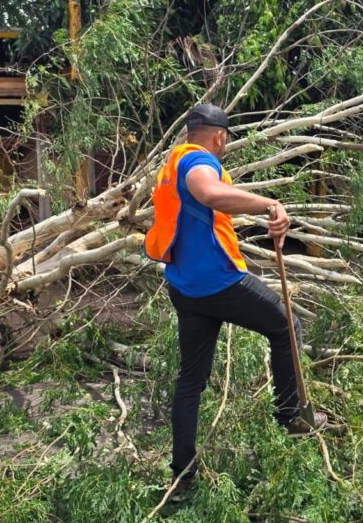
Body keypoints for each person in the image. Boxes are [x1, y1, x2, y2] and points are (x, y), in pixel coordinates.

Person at [145, 104, 327, 501]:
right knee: (286, 327)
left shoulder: (172, 162)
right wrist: (269, 205)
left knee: (191, 380)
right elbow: (210, 193)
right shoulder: (197, 161)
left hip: (184, 285)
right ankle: (291, 417)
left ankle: (182, 477)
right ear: (220, 137)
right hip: (218, 282)